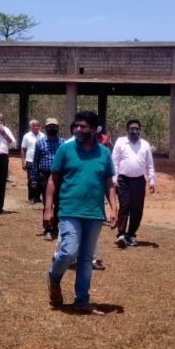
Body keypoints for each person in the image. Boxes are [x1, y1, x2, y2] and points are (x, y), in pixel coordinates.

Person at [44, 111, 117, 315]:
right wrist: (48, 209)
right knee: (69, 251)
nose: (78, 129)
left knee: (86, 258)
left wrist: (114, 208)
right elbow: (53, 180)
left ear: (94, 129)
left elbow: (109, 183)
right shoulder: (65, 149)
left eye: (83, 126)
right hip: (70, 209)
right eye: (76, 126)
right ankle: (53, 276)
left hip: (94, 213)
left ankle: (82, 300)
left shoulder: (104, 153)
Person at [111, 119, 156, 247]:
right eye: (131, 128)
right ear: (127, 130)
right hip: (123, 180)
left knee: (137, 209)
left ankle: (131, 235)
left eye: (136, 129)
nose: (134, 131)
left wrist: (152, 181)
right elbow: (114, 161)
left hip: (139, 181)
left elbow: (150, 165)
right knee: (124, 206)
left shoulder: (145, 145)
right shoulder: (120, 142)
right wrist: (114, 179)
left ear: (139, 130)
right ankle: (121, 234)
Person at [31, 117, 64, 240]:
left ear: (57, 128)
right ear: (46, 128)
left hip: (59, 176)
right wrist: (34, 179)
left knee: (59, 203)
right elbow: (35, 162)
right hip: (44, 176)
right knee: (47, 202)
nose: (52, 128)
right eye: (50, 126)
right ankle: (47, 228)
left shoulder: (63, 143)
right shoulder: (40, 143)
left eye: (54, 126)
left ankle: (55, 226)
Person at [21, 119, 45, 204]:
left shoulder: (43, 136)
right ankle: (31, 198)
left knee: (40, 179)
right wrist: (23, 161)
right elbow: (23, 149)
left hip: (40, 161)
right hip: (30, 161)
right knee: (31, 180)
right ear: (30, 127)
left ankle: (37, 197)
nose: (36, 127)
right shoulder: (26, 136)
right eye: (34, 125)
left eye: (38, 125)